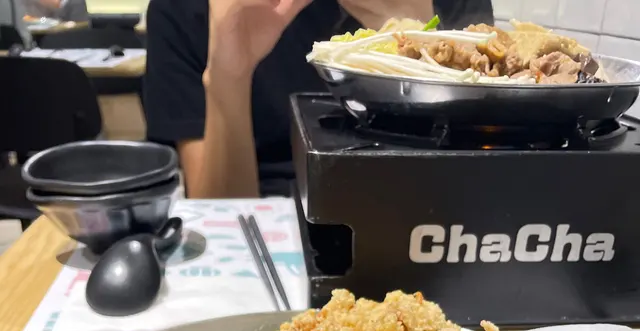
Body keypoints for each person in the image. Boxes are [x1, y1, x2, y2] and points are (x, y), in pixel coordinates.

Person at [144, 0, 494, 199]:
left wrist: (419, 34)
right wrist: (228, 77)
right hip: (264, 232)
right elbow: (220, 213)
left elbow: (482, 182)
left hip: (421, 216)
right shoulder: (188, 9)